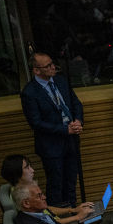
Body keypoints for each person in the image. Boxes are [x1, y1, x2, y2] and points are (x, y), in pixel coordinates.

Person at [20, 52, 84, 206]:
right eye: (47, 66)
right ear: (36, 70)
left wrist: (78, 120)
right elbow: (36, 123)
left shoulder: (61, 81)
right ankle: (58, 217)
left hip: (71, 140)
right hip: (51, 146)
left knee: (71, 181)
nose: (53, 67)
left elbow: (76, 103)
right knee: (56, 183)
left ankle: (74, 211)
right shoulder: (29, 92)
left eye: (52, 63)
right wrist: (64, 129)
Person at [2, 153, 93, 223]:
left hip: (58, 223)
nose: (32, 170)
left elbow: (47, 210)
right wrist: (78, 217)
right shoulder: (22, 197)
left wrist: (72, 210)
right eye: (27, 168)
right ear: (16, 173)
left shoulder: (21, 189)